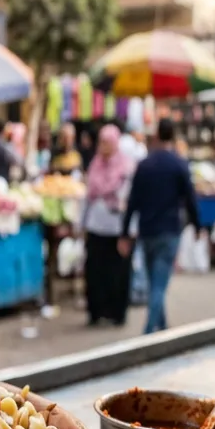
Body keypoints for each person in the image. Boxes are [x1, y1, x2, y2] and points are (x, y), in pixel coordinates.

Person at [120, 118, 200, 334]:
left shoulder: (145, 165)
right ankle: (149, 333)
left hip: (147, 230)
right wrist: (197, 225)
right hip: (169, 230)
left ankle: (162, 327)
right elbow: (190, 198)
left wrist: (125, 232)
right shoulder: (178, 164)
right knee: (158, 284)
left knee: (155, 280)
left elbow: (132, 201)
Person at [81, 124, 133, 327]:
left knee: (117, 272)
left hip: (117, 227)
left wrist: (129, 231)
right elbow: (88, 197)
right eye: (101, 142)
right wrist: (81, 223)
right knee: (95, 271)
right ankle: (96, 311)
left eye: (106, 142)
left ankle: (116, 312)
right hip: (96, 227)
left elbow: (128, 198)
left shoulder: (125, 167)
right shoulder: (95, 165)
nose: (103, 146)